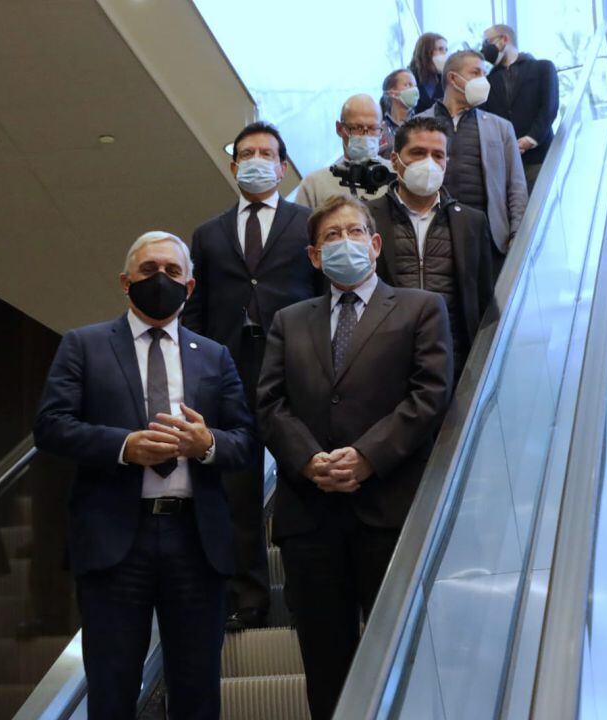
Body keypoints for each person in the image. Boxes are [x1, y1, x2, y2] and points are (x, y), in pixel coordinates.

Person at [34, 232, 255, 720]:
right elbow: (50, 428)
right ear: (125, 281)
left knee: (197, 691)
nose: (161, 280)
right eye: (150, 269)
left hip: (196, 542)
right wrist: (123, 446)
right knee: (111, 690)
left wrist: (209, 444)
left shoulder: (215, 355)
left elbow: (245, 439)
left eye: (173, 272)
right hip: (115, 541)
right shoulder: (84, 345)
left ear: (191, 286)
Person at [258, 195, 453, 720]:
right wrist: (308, 461)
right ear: (315, 256)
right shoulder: (288, 320)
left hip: (390, 511)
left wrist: (367, 456)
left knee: (405, 655)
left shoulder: (420, 307)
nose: (344, 243)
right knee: (325, 668)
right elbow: (270, 403)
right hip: (310, 517)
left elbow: (430, 395)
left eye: (354, 232)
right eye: (330, 237)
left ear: (375, 243)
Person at [183, 121, 320, 632]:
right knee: (235, 496)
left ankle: (307, 595)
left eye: (267, 152)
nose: (257, 159)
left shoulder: (307, 223)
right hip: (229, 378)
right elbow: (194, 313)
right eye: (247, 153)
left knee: (303, 484)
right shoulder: (209, 232)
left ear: (283, 166)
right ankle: (248, 598)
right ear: (233, 163)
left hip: (296, 374)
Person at [367, 116, 498, 382]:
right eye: (417, 153)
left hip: (455, 364)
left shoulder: (471, 222)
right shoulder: (367, 218)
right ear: (395, 160)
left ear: (447, 162)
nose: (429, 162)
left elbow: (484, 301)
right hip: (385, 364)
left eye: (438, 155)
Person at [417, 50, 528, 272]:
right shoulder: (417, 125)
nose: (483, 80)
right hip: (435, 240)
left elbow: (516, 186)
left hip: (490, 242)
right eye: (475, 72)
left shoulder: (501, 128)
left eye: (484, 74)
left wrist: (517, 234)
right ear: (453, 78)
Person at [480, 24, 560, 192]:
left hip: (540, 156)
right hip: (505, 161)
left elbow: (549, 108)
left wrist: (530, 139)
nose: (484, 48)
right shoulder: (487, 80)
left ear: (504, 39)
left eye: (488, 42)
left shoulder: (542, 68)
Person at [294, 94, 392, 210]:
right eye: (357, 128)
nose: (365, 136)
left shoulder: (395, 175)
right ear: (340, 128)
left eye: (372, 128)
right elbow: (299, 226)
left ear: (381, 129)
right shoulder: (314, 185)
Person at [379, 68, 419, 156]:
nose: (415, 90)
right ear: (392, 93)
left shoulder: (421, 124)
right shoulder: (379, 128)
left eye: (415, 86)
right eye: (408, 85)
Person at [408, 32, 448, 114]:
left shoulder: (446, 80)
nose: (444, 54)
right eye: (440, 49)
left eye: (446, 50)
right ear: (425, 52)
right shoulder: (409, 78)